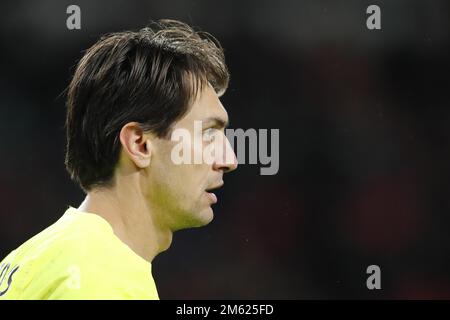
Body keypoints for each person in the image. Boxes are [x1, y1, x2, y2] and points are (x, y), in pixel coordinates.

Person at [0, 19, 237, 300]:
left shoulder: (33, 257)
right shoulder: (103, 282)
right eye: (207, 133)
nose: (229, 159)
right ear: (139, 144)